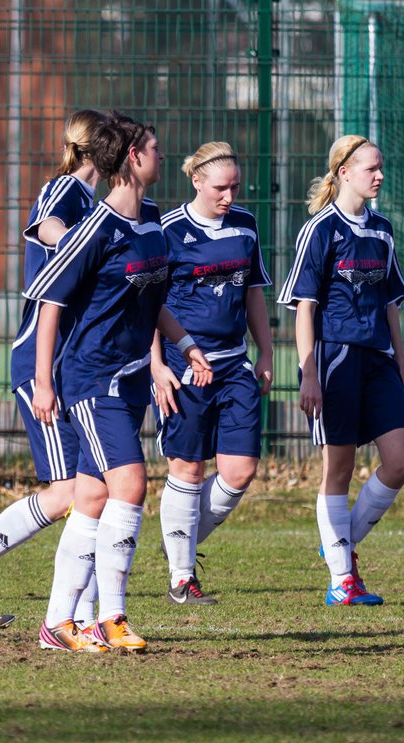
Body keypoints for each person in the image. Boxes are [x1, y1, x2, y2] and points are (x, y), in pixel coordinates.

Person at [19, 111, 212, 653]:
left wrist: (186, 345)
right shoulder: (96, 229)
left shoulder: (151, 220)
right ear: (132, 158)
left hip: (129, 378)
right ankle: (111, 617)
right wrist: (42, 382)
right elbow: (49, 300)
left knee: (93, 495)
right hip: (92, 377)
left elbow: (153, 303)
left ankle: (58, 625)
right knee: (129, 485)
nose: (161, 156)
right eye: (153, 147)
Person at [0, 109, 106, 638]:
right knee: (68, 494)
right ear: (98, 149)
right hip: (42, 363)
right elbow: (46, 225)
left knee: (91, 492)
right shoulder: (65, 190)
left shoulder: (98, 204)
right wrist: (83, 247)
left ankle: (82, 616)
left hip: (75, 362)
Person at [277, 135, 404, 607]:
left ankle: (339, 543)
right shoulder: (320, 230)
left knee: (402, 459)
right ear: (343, 173)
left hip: (377, 360)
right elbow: (304, 306)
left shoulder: (382, 229)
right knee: (339, 467)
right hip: (334, 358)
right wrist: (309, 372)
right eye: (370, 168)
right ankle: (342, 579)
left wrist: (401, 362)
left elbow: (391, 304)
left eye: (381, 167)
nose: (379, 175)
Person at [152, 141, 274, 604]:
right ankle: (182, 576)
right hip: (183, 366)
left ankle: (177, 542)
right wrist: (159, 365)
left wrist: (265, 352)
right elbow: (149, 303)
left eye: (235, 187)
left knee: (240, 470)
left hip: (234, 363)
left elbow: (254, 293)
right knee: (187, 465)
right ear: (196, 180)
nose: (229, 196)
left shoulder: (245, 225)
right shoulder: (167, 230)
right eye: (221, 187)